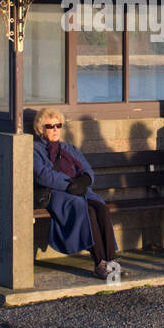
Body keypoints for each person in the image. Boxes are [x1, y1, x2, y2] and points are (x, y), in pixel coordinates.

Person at [32, 107, 119, 279]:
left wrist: (85, 180)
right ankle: (99, 263)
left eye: (58, 125)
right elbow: (43, 175)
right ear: (41, 129)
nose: (55, 129)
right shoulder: (35, 149)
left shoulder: (68, 147)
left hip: (80, 190)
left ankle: (111, 261)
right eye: (50, 126)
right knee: (87, 211)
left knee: (101, 208)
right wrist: (70, 184)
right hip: (58, 194)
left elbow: (87, 168)